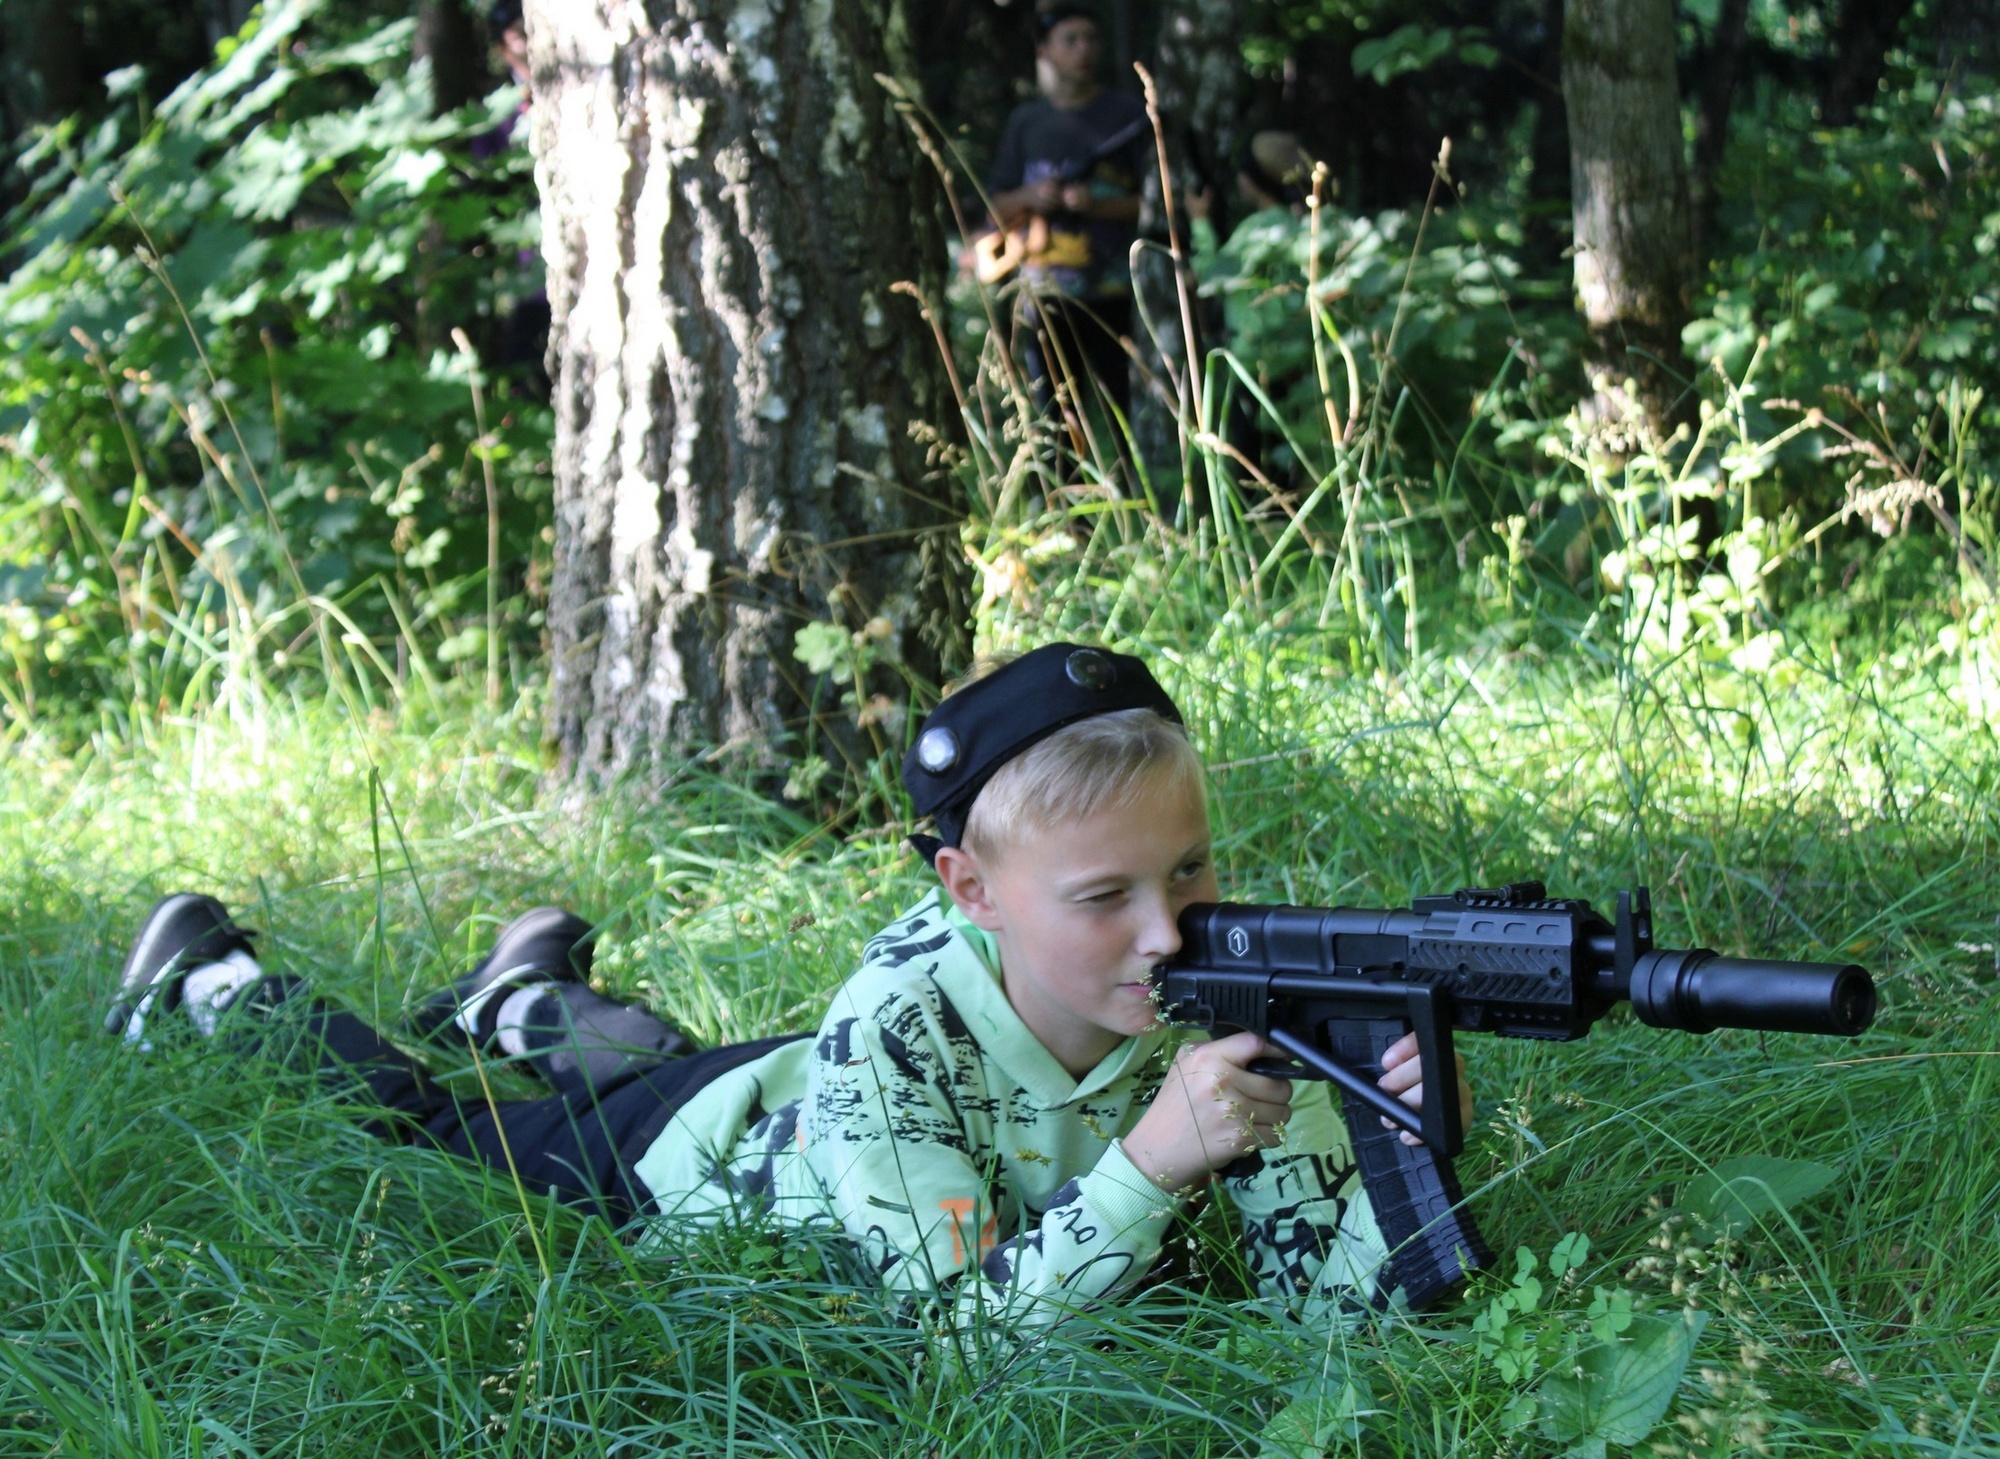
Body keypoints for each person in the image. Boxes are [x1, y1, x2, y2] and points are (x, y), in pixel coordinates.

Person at [106, 643, 1473, 1330]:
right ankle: (218, 986)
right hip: (696, 1170)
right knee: (436, 1129)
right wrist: (1153, 1157)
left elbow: (1330, 1315)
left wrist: (1392, 1133)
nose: (1170, 931)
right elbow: (959, 1341)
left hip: (793, 1098)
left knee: (699, 1063)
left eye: (1188, 871)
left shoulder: (1213, 978)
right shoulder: (889, 1030)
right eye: (1105, 895)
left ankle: (526, 1003)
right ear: (970, 890)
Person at [985, 5, 1150, 430]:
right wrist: (1034, 197)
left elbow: (1160, 203)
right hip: (1044, 295)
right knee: (1054, 418)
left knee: (1125, 415)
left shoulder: (1129, 116)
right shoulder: (1027, 121)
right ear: (1045, 51)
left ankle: (1132, 493)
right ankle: (1058, 496)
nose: (1084, 49)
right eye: (1070, 39)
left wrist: (1095, 206)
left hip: (1115, 294)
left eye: (1091, 39)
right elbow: (996, 206)